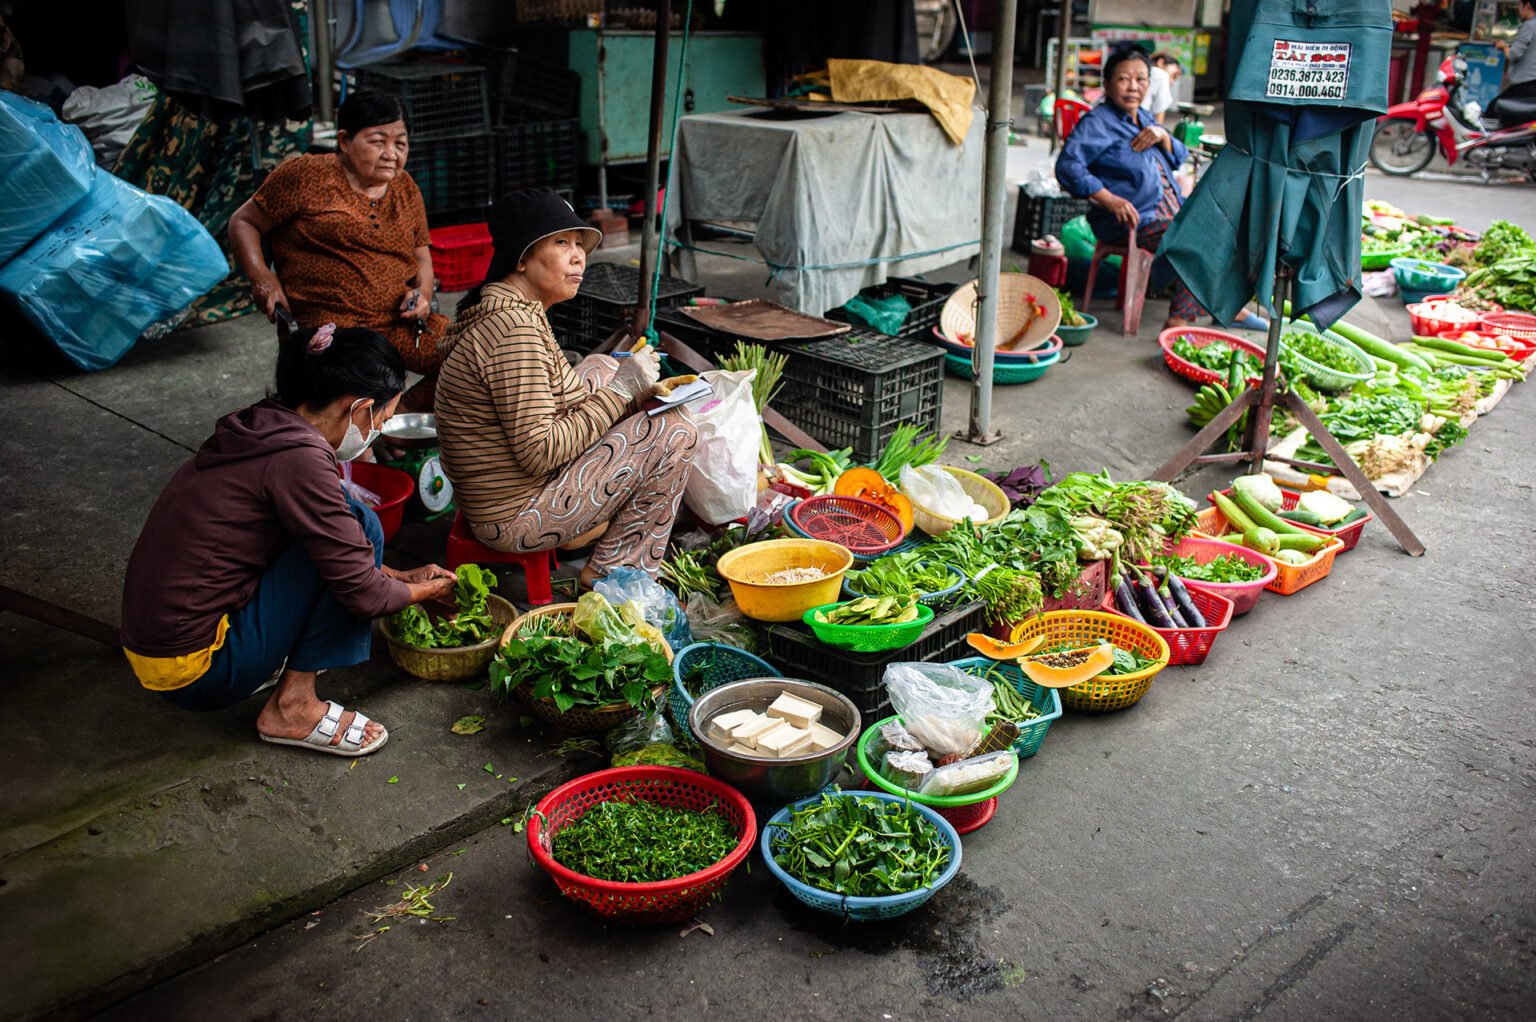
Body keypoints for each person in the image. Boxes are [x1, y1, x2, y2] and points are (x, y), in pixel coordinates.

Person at [120, 326, 458, 757]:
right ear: (358, 409)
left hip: (154, 645)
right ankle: (293, 706)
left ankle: (271, 668)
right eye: (382, 420)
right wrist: (427, 590)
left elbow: (333, 552)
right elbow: (365, 595)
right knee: (360, 527)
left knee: (347, 528)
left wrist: (400, 576)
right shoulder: (300, 460)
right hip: (196, 671)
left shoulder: (265, 423)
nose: (377, 432)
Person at [434, 188, 698, 591]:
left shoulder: (514, 311)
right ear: (521, 258)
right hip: (515, 514)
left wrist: (633, 395)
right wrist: (622, 393)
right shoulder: (514, 331)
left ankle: (586, 531)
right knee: (675, 429)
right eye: (562, 243)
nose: (579, 256)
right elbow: (541, 452)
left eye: (580, 245)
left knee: (600, 365)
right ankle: (613, 573)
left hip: (500, 494)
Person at [228, 89, 447, 411]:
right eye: (377, 141)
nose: (391, 153)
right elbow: (244, 221)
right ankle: (363, 436)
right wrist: (261, 276)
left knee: (474, 358)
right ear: (344, 141)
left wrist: (423, 294)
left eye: (400, 143)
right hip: (332, 330)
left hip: (397, 323)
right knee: (348, 395)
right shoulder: (305, 175)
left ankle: (392, 422)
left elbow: (420, 255)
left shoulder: (405, 186)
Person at [1055, 47, 1206, 331]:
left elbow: (1180, 156)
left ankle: (1227, 308)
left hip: (1169, 213)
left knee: (1223, 229)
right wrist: (1110, 199)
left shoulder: (1146, 119)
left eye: (1141, 79)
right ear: (1107, 84)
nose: (1133, 87)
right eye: (1124, 79)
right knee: (1193, 238)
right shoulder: (1098, 122)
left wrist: (1162, 135)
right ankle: (1178, 321)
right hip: (1132, 220)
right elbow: (1068, 167)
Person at [1490, 0, 1536, 126]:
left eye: (1519, 5)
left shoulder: (1529, 26)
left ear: (1527, 5)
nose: (1518, 9)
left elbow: (1513, 54)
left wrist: (1504, 46)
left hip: (1525, 83)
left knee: (1494, 109)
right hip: (1531, 82)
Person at [1142, 51, 1182, 125]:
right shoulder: (1161, 75)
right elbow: (1159, 111)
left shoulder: (1143, 69)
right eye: (1174, 75)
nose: (1172, 82)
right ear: (1161, 62)